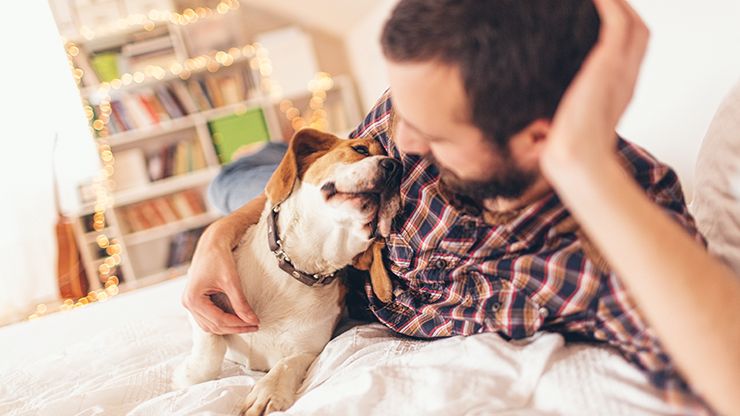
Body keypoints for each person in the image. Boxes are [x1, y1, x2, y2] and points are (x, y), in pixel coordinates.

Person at [183, 0, 740, 413]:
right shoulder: (414, 117)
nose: (406, 146)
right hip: (298, 198)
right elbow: (312, 177)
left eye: (437, 135)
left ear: (538, 138)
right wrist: (218, 237)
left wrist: (583, 167)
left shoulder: (605, 240)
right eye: (405, 117)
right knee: (233, 180)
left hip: (345, 264)